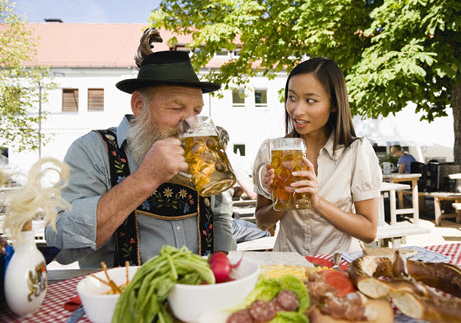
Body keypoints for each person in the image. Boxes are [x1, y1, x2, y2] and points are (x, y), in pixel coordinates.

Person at [45, 29, 236, 268]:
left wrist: (224, 265)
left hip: (200, 295)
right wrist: (145, 178)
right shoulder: (93, 150)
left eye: (197, 110)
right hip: (121, 299)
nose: (191, 122)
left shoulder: (202, 150)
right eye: (177, 108)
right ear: (138, 105)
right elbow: (60, 246)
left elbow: (219, 215)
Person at [252, 57, 382, 256]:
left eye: (310, 100)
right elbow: (262, 222)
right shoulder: (272, 150)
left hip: (339, 266)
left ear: (334, 105)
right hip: (289, 265)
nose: (297, 110)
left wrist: (317, 201)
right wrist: (285, 199)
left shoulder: (356, 151)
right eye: (292, 97)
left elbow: (369, 231)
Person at [216, 126, 271, 243]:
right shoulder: (228, 160)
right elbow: (253, 194)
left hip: (208, 224)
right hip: (221, 225)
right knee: (265, 232)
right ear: (225, 145)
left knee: (238, 218)